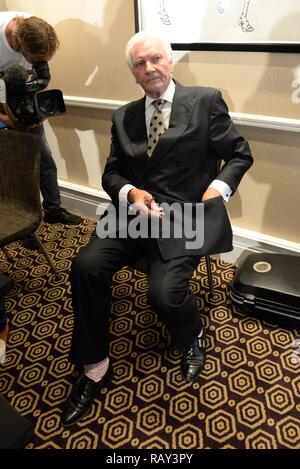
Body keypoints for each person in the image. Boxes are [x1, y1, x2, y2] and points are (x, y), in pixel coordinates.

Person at [60, 31, 253, 426]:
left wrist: (216, 190)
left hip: (184, 217)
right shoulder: (123, 115)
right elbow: (112, 173)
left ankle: (192, 335)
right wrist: (130, 193)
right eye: (139, 64)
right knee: (85, 267)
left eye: (154, 60)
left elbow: (238, 153)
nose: (149, 69)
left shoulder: (204, 100)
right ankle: (93, 366)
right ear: (133, 74)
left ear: (170, 61)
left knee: (164, 296)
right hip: (133, 215)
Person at [0, 12, 82, 225]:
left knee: (44, 160)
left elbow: (39, 80)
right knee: (15, 168)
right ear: (20, 46)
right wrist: (6, 119)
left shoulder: (35, 29)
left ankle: (53, 210)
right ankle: (21, 219)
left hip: (20, 93)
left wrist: (35, 112)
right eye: (35, 61)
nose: (40, 63)